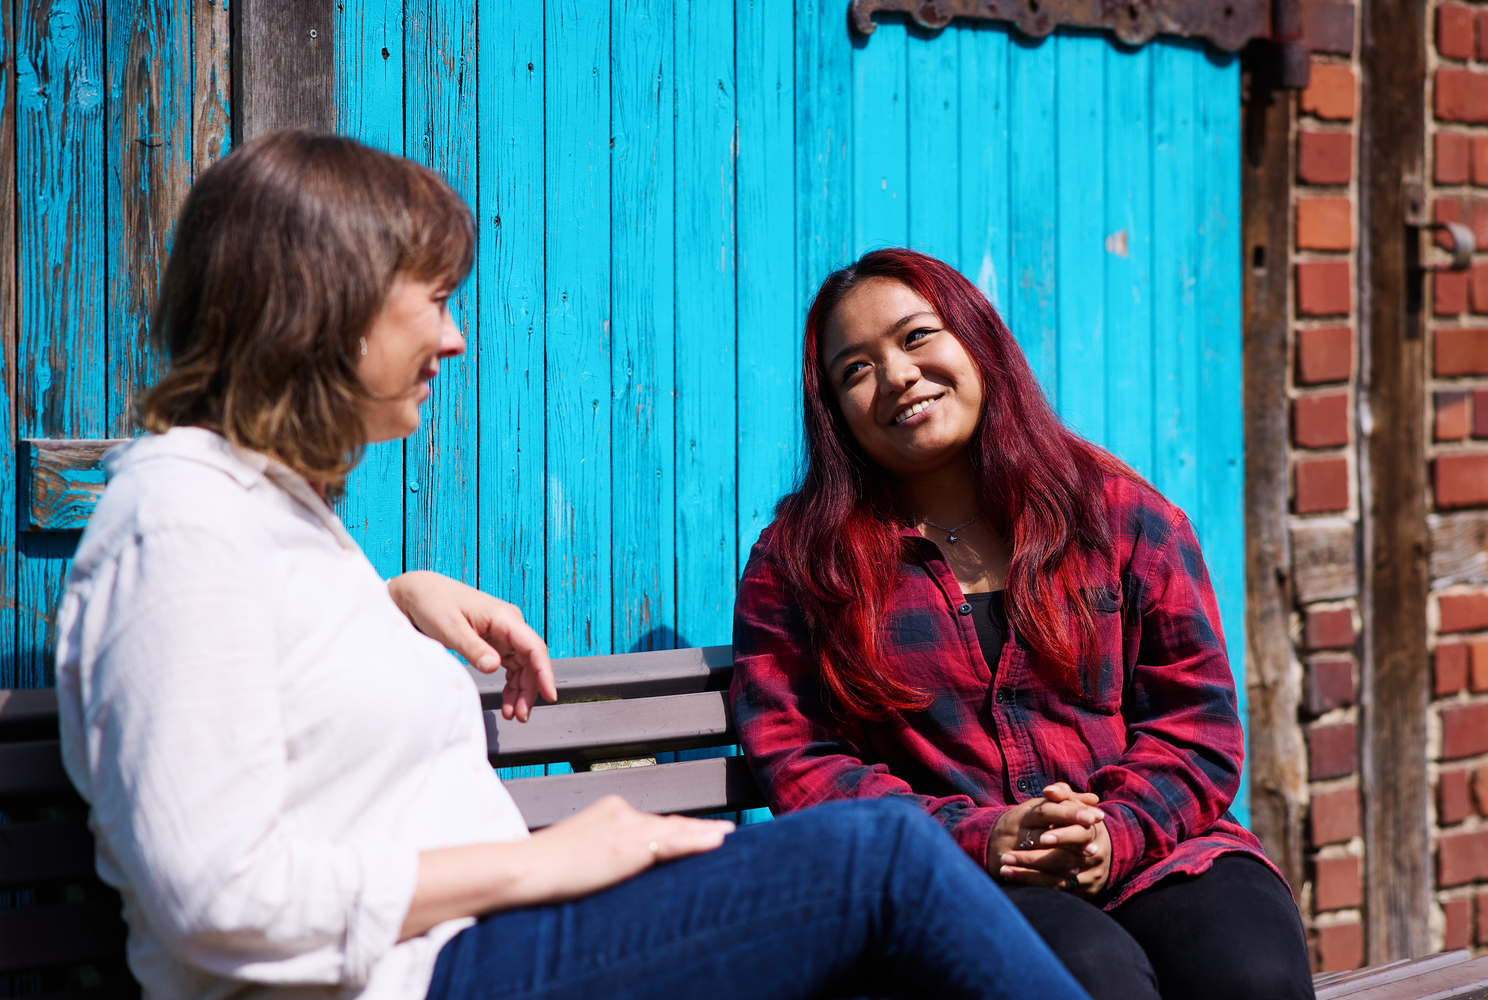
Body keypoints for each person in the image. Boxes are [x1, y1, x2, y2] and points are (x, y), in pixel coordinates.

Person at [54, 132, 1094, 1000]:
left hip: (475, 951)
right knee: (884, 861)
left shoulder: (263, 518)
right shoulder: (183, 521)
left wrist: (385, 604)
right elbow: (210, 895)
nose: (454, 340)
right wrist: (547, 860)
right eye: (432, 297)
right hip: (425, 977)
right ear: (327, 300)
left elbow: (250, 675)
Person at [731, 249, 1316, 1000]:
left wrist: (1115, 830)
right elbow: (802, 760)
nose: (900, 376)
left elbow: (1195, 725)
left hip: (1162, 847)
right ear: (834, 411)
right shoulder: (803, 565)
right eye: (856, 370)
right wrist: (979, 838)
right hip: (956, 883)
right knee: (1089, 979)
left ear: (976, 339)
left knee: (1252, 978)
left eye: (916, 337)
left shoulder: (1119, 517)